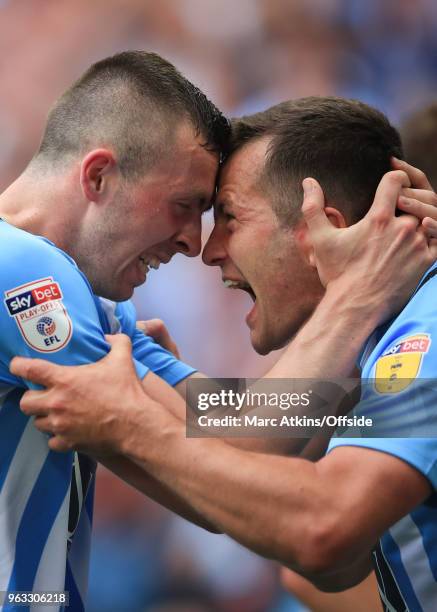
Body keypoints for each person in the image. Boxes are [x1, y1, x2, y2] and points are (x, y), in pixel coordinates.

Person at [13, 97, 437, 610]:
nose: (205, 249)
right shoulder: (386, 347)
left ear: (323, 226)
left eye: (229, 217)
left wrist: (131, 424)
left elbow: (323, 531)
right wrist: (135, 418)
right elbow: (247, 452)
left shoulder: (425, 326)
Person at [0, 49, 231, 611]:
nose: (192, 242)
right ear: (98, 175)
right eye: (184, 205)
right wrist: (354, 304)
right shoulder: (23, 273)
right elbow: (221, 493)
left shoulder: (92, 300)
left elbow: (233, 426)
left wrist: (389, 405)